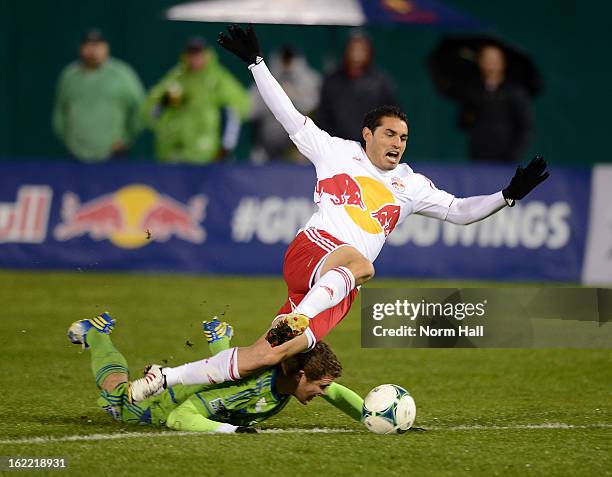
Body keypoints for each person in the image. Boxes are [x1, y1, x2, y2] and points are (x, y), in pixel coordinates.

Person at [129, 25, 549, 402]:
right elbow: (289, 116)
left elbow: (459, 211)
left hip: (337, 292)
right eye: (389, 133)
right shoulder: (336, 151)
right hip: (315, 252)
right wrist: (257, 63)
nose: (398, 142)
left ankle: (162, 378)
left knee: (263, 356)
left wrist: (508, 195)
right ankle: (297, 320)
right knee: (362, 263)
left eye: (403, 137)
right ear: (367, 135)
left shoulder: (411, 185)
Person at [67, 313, 363, 434]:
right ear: (300, 376)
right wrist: (232, 431)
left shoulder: (290, 375)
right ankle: (96, 335)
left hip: (202, 382)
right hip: (154, 406)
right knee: (115, 388)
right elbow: (178, 418)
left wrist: (371, 416)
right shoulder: (251, 390)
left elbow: (335, 392)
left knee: (231, 367)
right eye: (321, 387)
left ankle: (219, 340)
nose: (324, 393)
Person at [142, 36, 250, 164]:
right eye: (191, 54)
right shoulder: (176, 79)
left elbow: (236, 111)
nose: (194, 59)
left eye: (198, 54)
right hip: (172, 155)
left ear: (207, 55)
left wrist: (226, 148)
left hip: (205, 156)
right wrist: (163, 103)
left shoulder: (217, 80)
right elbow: (150, 113)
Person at [52, 29, 145, 162]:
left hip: (113, 155)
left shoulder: (122, 74)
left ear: (106, 48)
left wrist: (126, 139)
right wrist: (69, 141)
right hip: (76, 155)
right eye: (89, 45)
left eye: (98, 46)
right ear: (81, 48)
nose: (93, 51)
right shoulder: (69, 76)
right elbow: (60, 112)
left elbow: (140, 109)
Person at [316, 31, 398, 143]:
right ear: (346, 51)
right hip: (338, 147)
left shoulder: (381, 82)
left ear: (369, 52)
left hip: (371, 148)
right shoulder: (332, 81)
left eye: (361, 49)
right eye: (353, 49)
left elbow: (392, 117)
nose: (357, 53)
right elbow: (323, 117)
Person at [457, 44, 533, 163]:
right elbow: (463, 123)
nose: (491, 65)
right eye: (487, 61)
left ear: (503, 63)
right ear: (480, 63)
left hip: (506, 159)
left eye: (494, 61)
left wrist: (514, 154)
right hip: (478, 156)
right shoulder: (473, 91)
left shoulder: (514, 92)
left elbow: (525, 126)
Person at [249, 46, 321, 163]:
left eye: (290, 59)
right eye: (284, 59)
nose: (287, 63)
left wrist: (294, 98)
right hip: (267, 144)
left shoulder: (310, 80)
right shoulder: (266, 77)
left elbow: (316, 109)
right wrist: (273, 97)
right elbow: (250, 109)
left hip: (299, 146)